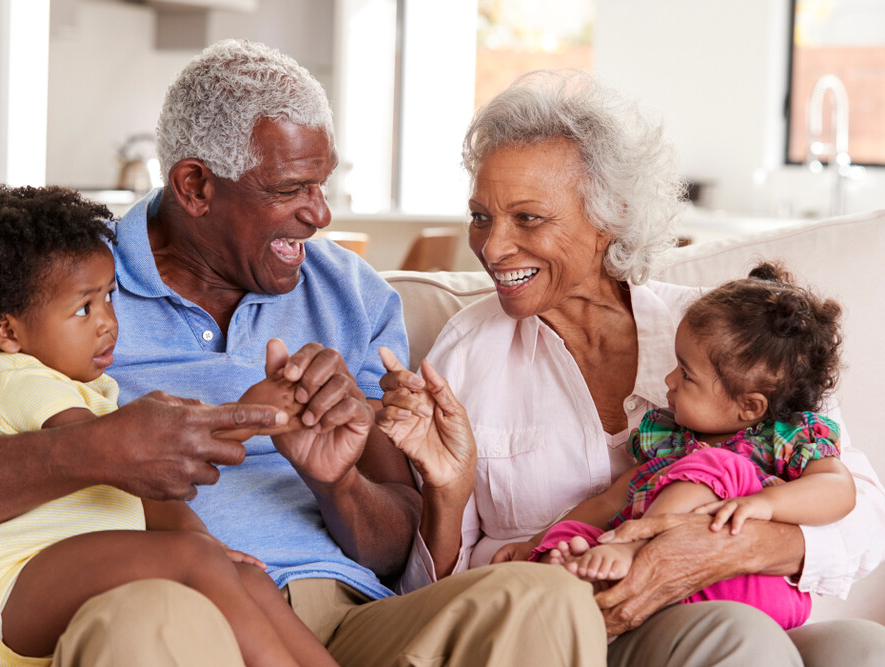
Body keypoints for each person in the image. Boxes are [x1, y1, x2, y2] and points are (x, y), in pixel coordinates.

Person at [0, 42, 603, 665]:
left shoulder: (350, 294)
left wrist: (338, 481)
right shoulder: (57, 285)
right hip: (160, 607)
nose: (320, 215)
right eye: (291, 189)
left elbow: (396, 545)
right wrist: (96, 450)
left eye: (323, 185)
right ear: (196, 185)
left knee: (544, 598)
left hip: (337, 619)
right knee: (150, 619)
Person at [376, 70, 885, 666]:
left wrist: (728, 546)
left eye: (528, 218)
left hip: (735, 598)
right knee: (739, 640)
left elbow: (863, 517)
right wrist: (447, 490)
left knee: (861, 647)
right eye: (481, 216)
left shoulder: (725, 331)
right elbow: (430, 592)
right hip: (568, 628)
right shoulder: (467, 352)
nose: (492, 248)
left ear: (608, 216)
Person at [0, 184, 334, 667]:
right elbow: (131, 454)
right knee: (198, 559)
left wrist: (211, 547)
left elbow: (150, 490)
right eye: (83, 308)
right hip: (17, 583)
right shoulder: (24, 382)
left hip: (75, 576)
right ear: (8, 331)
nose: (107, 323)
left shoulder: (95, 392)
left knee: (246, 576)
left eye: (109, 298)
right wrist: (248, 414)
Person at [526, 262, 855, 631]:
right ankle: (568, 575)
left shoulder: (787, 438)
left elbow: (839, 490)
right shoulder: (672, 439)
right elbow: (610, 501)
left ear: (750, 405)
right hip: (669, 594)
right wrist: (534, 544)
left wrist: (765, 504)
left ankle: (639, 550)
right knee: (574, 536)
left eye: (685, 374)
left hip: (750, 587)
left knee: (716, 464)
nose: (668, 380)